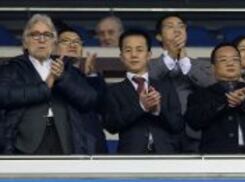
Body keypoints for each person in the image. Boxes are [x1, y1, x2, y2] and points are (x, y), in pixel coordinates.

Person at [0, 14, 97, 154]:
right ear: (25, 42)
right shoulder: (12, 68)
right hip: (24, 143)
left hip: (64, 141)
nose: (42, 40)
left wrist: (63, 78)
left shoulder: (65, 68)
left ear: (54, 42)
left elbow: (89, 100)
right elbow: (4, 96)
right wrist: (46, 85)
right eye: (35, 35)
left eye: (47, 35)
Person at [185, 43, 245, 154]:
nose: (230, 63)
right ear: (213, 68)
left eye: (235, 59)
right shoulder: (200, 95)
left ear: (241, 65)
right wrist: (226, 101)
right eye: (223, 60)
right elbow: (194, 122)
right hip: (218, 158)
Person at [103, 30, 184, 154]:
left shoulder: (166, 86)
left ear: (149, 55)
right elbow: (111, 126)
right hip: (131, 157)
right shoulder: (113, 90)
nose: (134, 55)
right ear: (121, 57)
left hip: (166, 155)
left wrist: (158, 110)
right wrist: (141, 106)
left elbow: (178, 124)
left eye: (139, 50)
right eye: (128, 50)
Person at [149, 13, 215, 153]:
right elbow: (147, 81)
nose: (177, 30)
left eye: (181, 26)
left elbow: (212, 86)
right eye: (170, 26)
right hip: (161, 131)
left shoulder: (202, 65)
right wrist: (172, 56)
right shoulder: (149, 65)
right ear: (159, 36)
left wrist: (185, 62)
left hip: (194, 133)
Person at [55, 26, 108, 154]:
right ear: (54, 47)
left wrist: (91, 75)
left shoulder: (87, 77)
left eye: (77, 42)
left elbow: (101, 105)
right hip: (65, 147)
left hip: (93, 146)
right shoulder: (51, 75)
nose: (72, 44)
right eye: (66, 41)